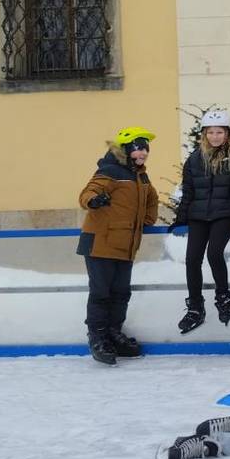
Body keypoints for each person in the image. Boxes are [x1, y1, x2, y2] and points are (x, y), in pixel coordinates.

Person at [77, 126, 160, 365]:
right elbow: (88, 192)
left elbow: (151, 198)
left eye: (145, 148)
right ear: (125, 149)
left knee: (121, 293)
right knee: (101, 292)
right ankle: (98, 337)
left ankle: (113, 332)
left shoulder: (140, 175)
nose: (143, 152)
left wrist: (146, 219)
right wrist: (94, 201)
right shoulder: (110, 171)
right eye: (138, 148)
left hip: (125, 244)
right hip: (100, 242)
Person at [170, 109, 230, 334]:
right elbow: (188, 190)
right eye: (211, 132)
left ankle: (223, 296)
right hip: (198, 214)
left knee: (214, 253)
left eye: (220, 132)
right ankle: (195, 306)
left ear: (227, 133)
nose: (215, 136)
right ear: (204, 134)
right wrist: (181, 218)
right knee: (192, 258)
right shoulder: (195, 159)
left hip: (225, 213)